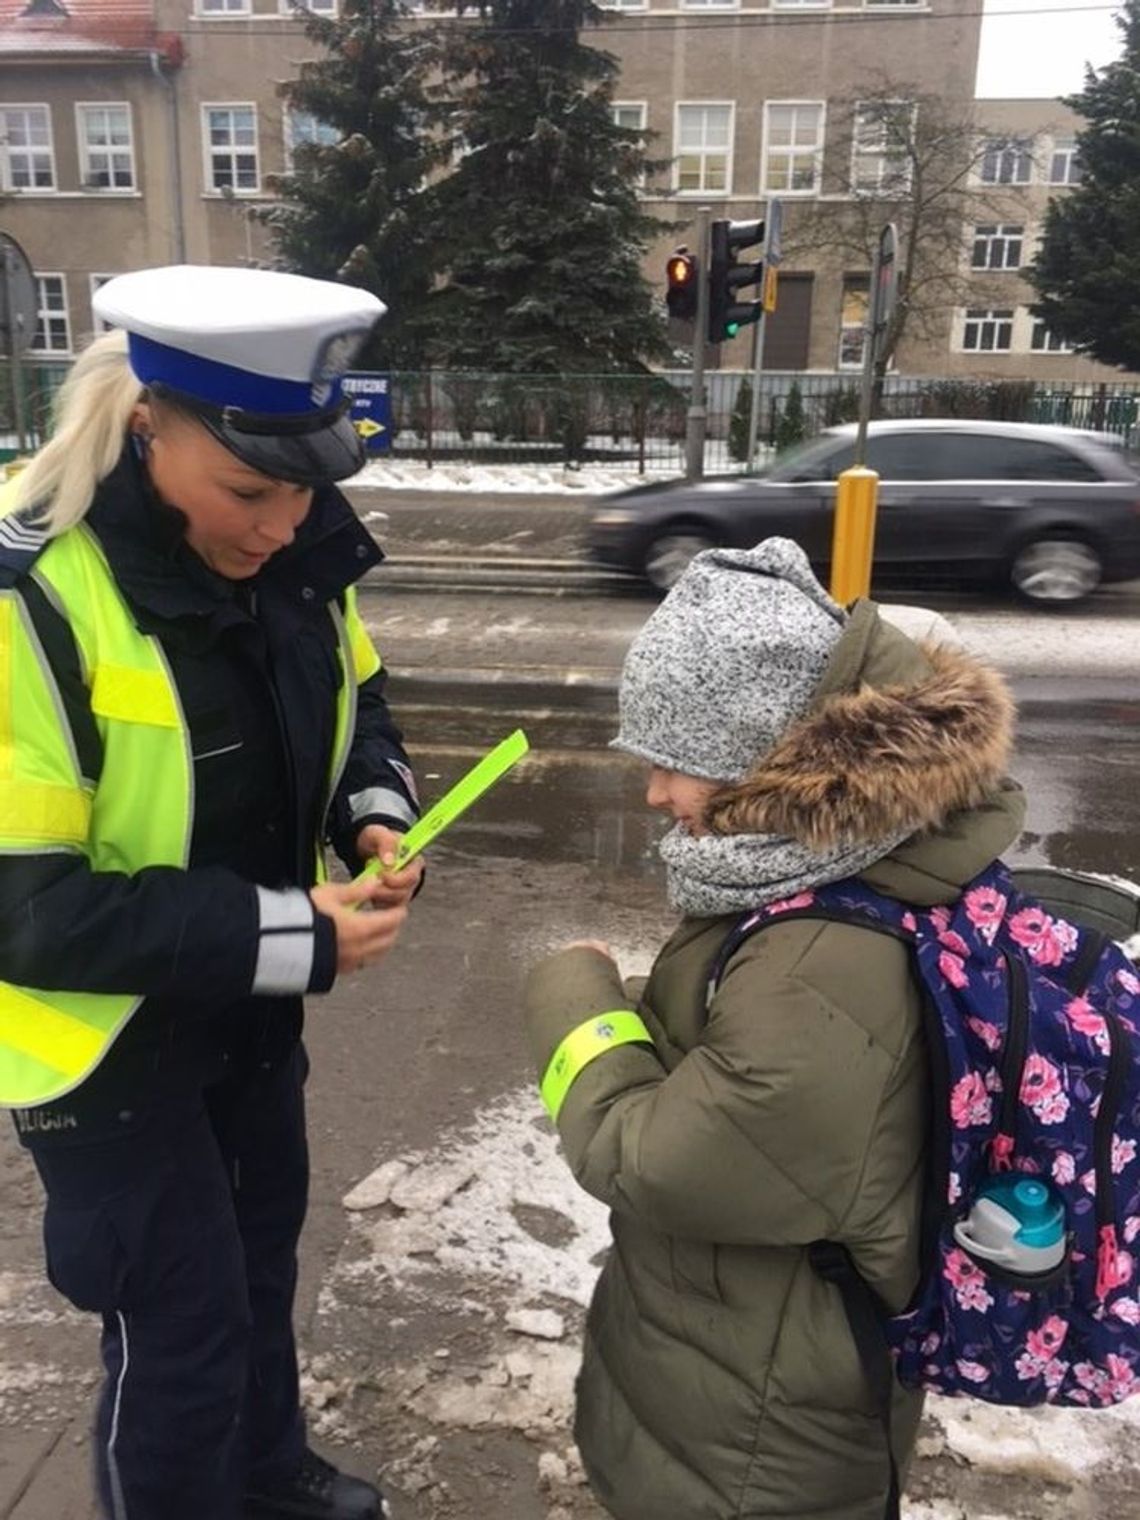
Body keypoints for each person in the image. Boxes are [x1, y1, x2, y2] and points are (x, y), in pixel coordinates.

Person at [0, 265, 423, 1520]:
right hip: (106, 1048)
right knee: (177, 1330)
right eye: (249, 486)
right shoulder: (29, 598)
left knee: (255, 1271)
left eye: (306, 485)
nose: (284, 522)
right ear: (146, 425)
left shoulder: (294, 558)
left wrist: (376, 809)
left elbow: (362, 705)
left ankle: (268, 1477)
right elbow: (28, 910)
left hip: (244, 1014)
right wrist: (299, 932)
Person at [524, 538, 1025, 1520]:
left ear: (764, 756)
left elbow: (670, 1158)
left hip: (761, 1427)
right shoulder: (819, 871)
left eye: (676, 763)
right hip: (740, 1365)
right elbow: (742, 1038)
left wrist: (571, 995)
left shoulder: (826, 950)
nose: (655, 793)